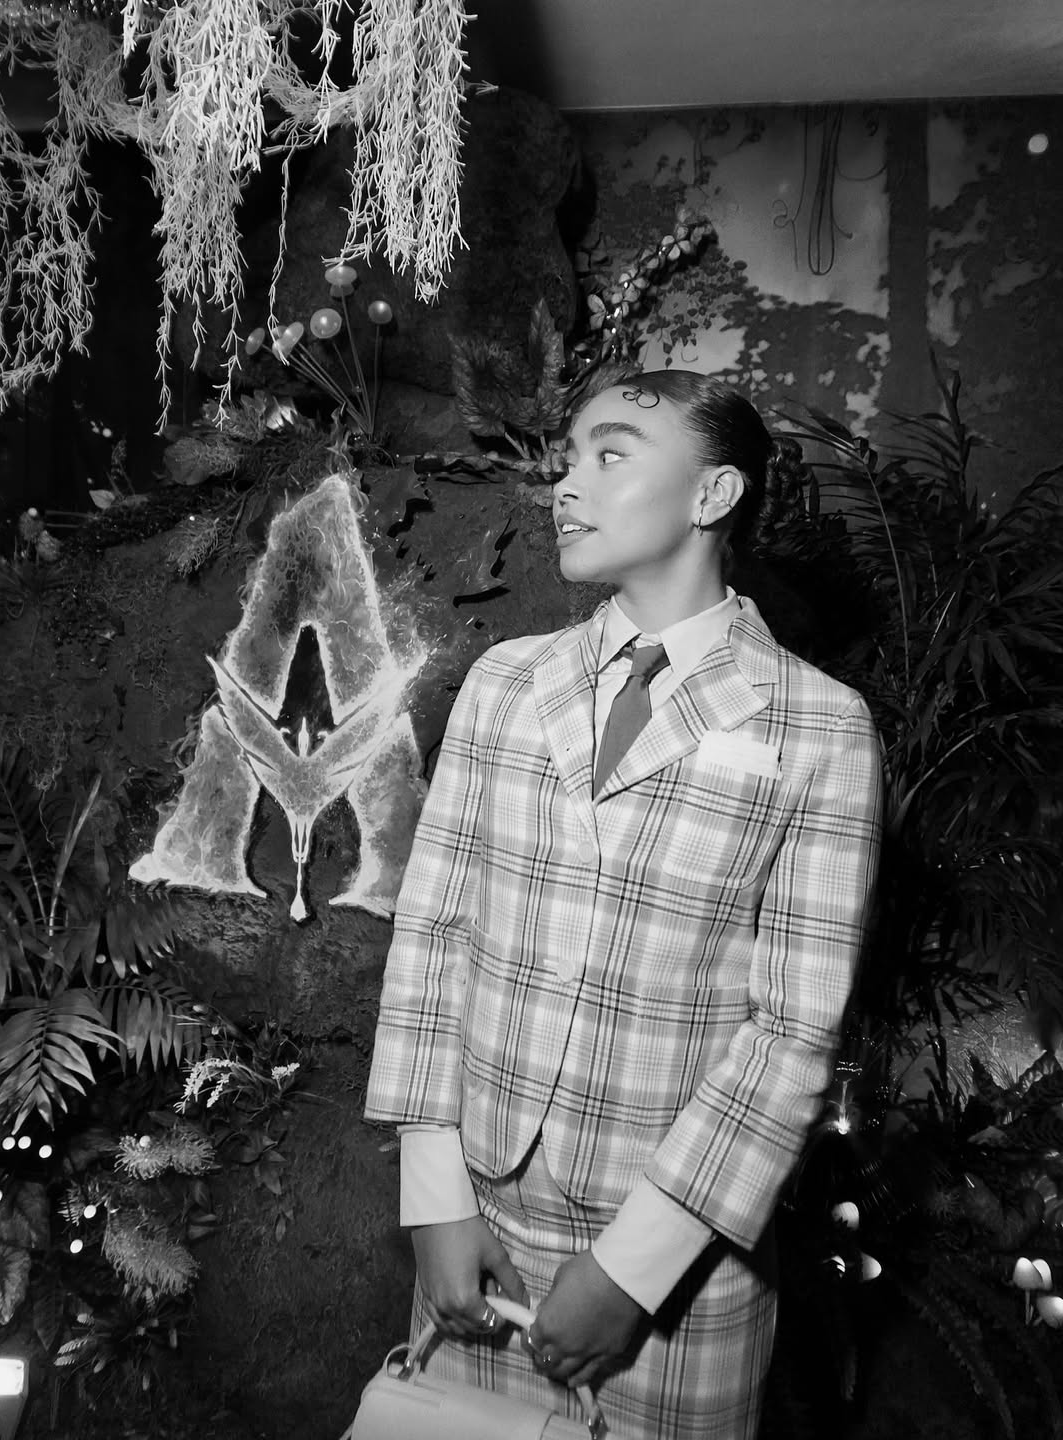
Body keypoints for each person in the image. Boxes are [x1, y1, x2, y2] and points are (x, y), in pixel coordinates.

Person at [365, 369, 883, 1439]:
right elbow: (433, 935)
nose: (567, 484)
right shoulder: (506, 682)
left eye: (610, 455)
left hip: (674, 1267)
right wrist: (434, 1198)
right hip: (478, 1228)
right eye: (568, 459)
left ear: (713, 495)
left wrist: (636, 1270)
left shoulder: (820, 727)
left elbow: (793, 1031)